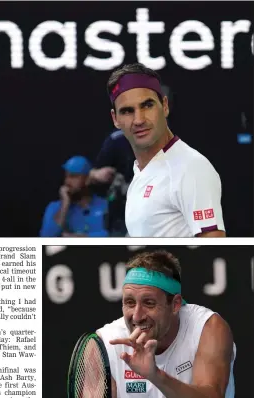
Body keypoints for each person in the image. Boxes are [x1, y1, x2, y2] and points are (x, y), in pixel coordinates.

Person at [106, 63, 226, 237]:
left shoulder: (191, 168)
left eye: (147, 105)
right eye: (127, 111)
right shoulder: (141, 170)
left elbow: (215, 250)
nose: (139, 120)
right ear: (115, 119)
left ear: (165, 105)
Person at [96, 250, 236, 398]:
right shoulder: (105, 344)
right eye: (130, 303)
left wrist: (155, 376)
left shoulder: (208, 328)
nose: (137, 317)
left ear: (175, 304)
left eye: (149, 303)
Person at [40, 155, 109, 237]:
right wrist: (65, 205)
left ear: (87, 179)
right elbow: (46, 238)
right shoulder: (54, 207)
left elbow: (113, 236)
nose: (67, 181)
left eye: (73, 176)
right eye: (66, 176)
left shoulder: (104, 205)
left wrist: (74, 238)